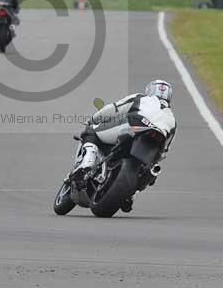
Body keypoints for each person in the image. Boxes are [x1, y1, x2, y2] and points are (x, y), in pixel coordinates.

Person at [72, 80, 176, 212]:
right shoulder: (172, 119)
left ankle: (87, 163)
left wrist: (94, 119)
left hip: (135, 125)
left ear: (150, 90)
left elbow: (114, 108)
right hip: (157, 138)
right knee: (149, 170)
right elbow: (165, 150)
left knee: (92, 131)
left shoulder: (141, 97)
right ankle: (131, 195)